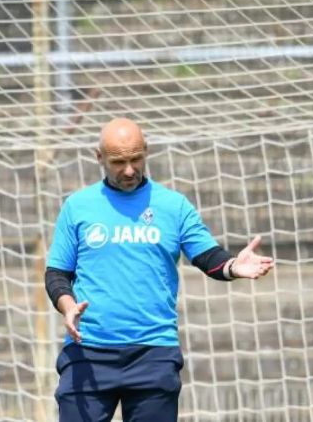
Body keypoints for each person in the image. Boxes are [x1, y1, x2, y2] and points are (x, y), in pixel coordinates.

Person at [45, 117, 274, 422]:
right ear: (99, 158)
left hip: (153, 353)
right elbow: (57, 274)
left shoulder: (173, 206)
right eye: (118, 162)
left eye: (136, 159)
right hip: (88, 351)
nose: (129, 169)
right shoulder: (78, 206)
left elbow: (208, 256)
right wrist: (68, 305)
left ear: (147, 151)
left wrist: (233, 266)